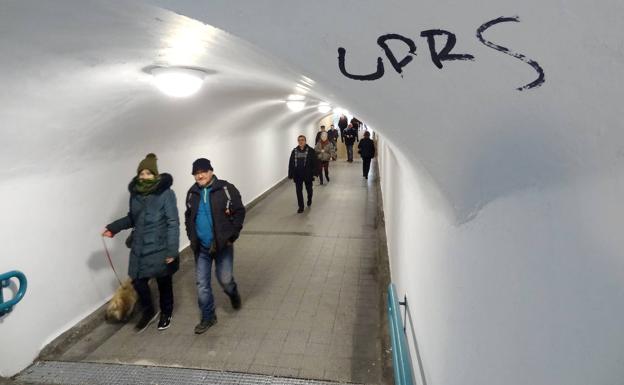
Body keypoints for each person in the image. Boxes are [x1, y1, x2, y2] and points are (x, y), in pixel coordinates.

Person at [103, 153, 180, 332]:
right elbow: (133, 217)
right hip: (139, 247)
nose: (144, 177)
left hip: (160, 247)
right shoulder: (135, 194)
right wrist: (113, 228)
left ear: (156, 175)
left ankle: (166, 313)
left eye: (148, 173)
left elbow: (173, 223)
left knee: (164, 283)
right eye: (141, 173)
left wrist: (172, 251)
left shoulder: (166, 194)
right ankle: (149, 311)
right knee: (138, 282)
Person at [184, 158, 246, 334]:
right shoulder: (192, 193)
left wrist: (232, 235)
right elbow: (188, 216)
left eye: (202, 171)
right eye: (196, 173)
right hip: (201, 248)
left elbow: (240, 211)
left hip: (222, 245)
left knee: (225, 279)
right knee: (202, 284)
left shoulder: (226, 189)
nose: (199, 175)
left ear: (211, 171)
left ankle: (232, 292)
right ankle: (208, 317)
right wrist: (191, 236)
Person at [288, 135, 317, 213]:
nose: (301, 141)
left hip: (308, 174)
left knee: (309, 190)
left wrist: (314, 173)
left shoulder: (311, 151)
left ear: (305, 141)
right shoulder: (294, 151)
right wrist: (290, 174)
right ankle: (301, 207)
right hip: (297, 175)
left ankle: (309, 199)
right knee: (298, 191)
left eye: (302, 140)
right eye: (299, 140)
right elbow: (291, 163)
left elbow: (315, 162)